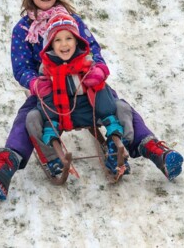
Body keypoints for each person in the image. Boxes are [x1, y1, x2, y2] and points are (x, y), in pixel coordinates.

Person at [0, 0, 184, 201]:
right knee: (27, 116)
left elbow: (93, 48)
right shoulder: (23, 29)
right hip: (49, 86)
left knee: (119, 104)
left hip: (84, 80)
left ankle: (154, 151)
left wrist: (99, 69)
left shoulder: (72, 19)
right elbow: (21, 66)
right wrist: (34, 83)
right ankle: (5, 168)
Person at [26, 12, 131, 177]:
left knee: (123, 107)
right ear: (51, 45)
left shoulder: (86, 62)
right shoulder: (47, 69)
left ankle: (116, 146)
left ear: (76, 41)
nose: (64, 44)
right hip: (60, 116)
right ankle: (52, 159)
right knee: (31, 118)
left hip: (92, 112)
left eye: (69, 38)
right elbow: (45, 99)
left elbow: (101, 85)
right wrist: (40, 88)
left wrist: (98, 74)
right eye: (57, 40)